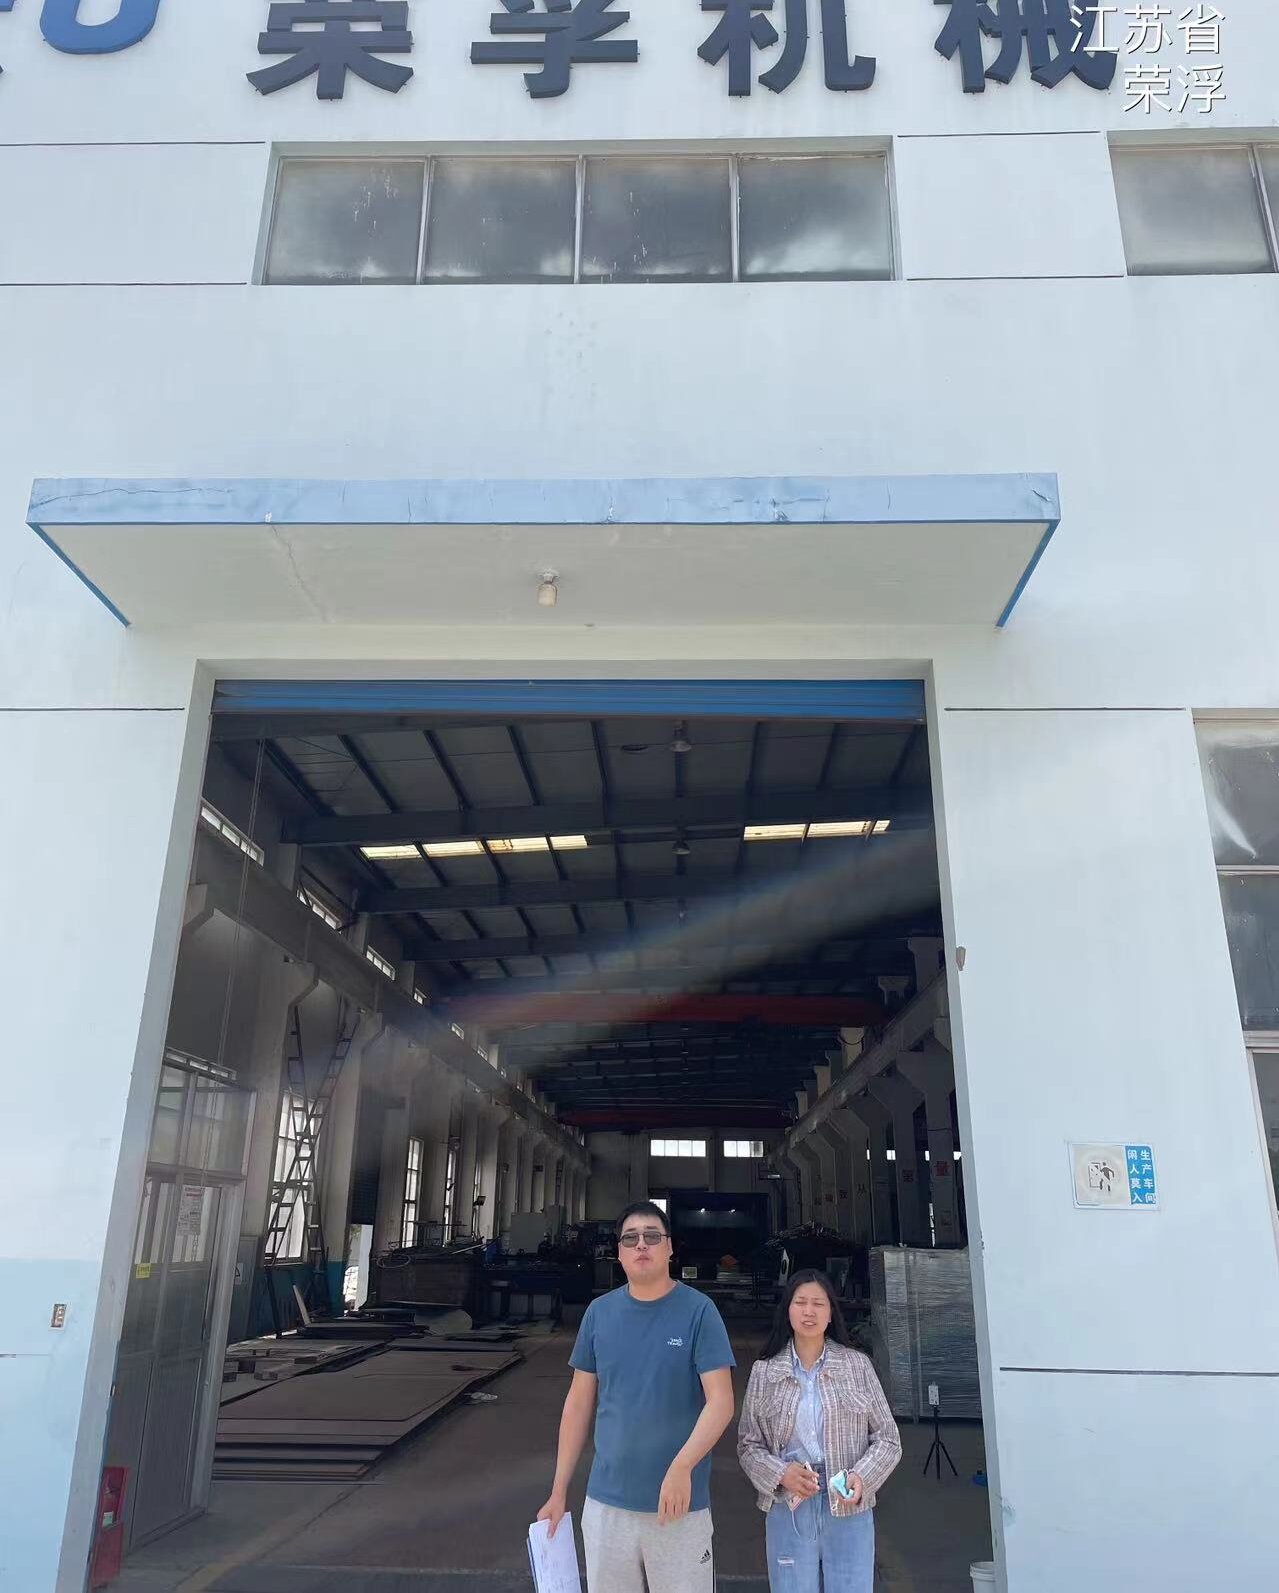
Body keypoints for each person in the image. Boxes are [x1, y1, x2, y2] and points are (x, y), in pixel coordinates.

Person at [537, 1201, 737, 1592]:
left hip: (678, 1506)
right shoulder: (599, 1313)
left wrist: (682, 1468)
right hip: (607, 1507)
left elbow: (721, 1402)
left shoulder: (699, 1312)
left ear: (669, 1247)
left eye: (651, 1236)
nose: (641, 1244)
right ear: (619, 1252)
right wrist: (559, 1491)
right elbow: (578, 1405)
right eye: (630, 1238)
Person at [737, 1270, 901, 1592]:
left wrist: (862, 1477)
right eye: (800, 1303)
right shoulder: (765, 1371)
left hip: (848, 1502)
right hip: (789, 1501)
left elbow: (887, 1438)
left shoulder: (857, 1366)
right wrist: (781, 1473)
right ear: (788, 1310)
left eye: (818, 1304)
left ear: (830, 1313)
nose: (808, 1311)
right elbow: (748, 1444)